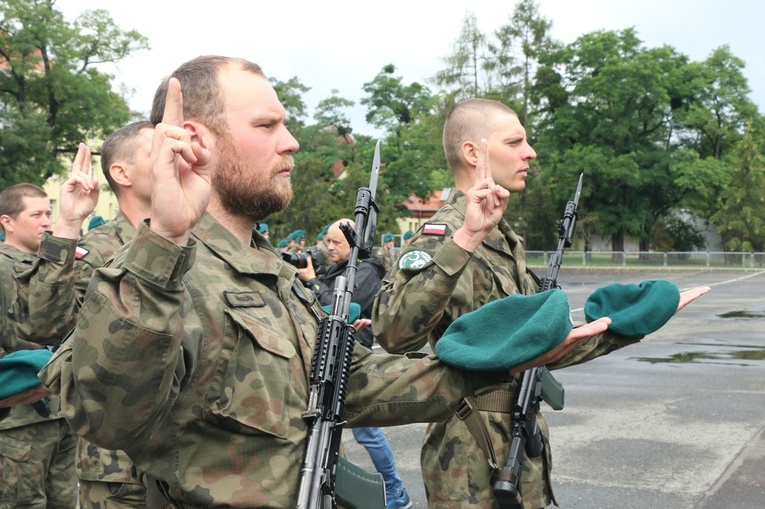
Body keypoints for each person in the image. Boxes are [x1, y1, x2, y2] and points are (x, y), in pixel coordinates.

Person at [39, 56, 612, 508]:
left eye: (285, 123)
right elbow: (106, 417)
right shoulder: (159, 266)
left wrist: (504, 363)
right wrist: (162, 238)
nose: (290, 141)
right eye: (267, 125)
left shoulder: (270, 269)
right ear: (197, 139)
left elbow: (350, 383)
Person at [371, 98, 710, 508]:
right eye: (515, 142)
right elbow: (392, 331)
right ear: (473, 153)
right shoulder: (443, 237)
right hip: (468, 454)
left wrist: (630, 322)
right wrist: (463, 243)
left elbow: (542, 345)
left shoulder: (504, 239)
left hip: (519, 442)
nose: (529, 152)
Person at [15, 123, 154, 508]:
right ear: (122, 174)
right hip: (120, 464)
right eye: (156, 152)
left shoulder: (194, 241)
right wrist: (68, 223)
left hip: (188, 456)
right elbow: (44, 324)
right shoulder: (98, 247)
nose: (172, 160)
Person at [298, 218, 411, 508]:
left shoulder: (366, 270)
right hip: (331, 355)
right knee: (331, 429)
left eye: (337, 242)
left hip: (353, 355)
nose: (329, 247)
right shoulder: (339, 268)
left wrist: (311, 281)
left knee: (367, 432)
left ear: (354, 243)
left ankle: (396, 492)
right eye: (328, 241)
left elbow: (342, 310)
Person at [0, 183, 78, 509]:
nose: (47, 221)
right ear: (8, 222)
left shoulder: (54, 268)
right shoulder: (3, 267)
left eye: (50, 213)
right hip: (18, 421)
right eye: (37, 214)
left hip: (62, 414)